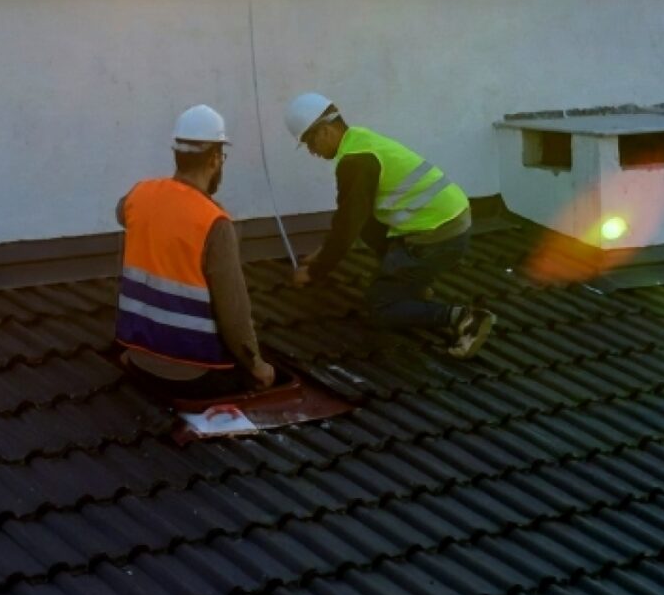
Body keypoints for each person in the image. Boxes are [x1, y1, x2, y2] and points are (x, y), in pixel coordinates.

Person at [284, 91, 495, 358]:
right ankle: (413, 285)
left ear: (324, 131)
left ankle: (463, 317)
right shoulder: (360, 142)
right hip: (448, 223)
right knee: (369, 222)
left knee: (380, 307)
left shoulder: (355, 162)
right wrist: (322, 253)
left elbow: (347, 227)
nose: (312, 152)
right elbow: (355, 220)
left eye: (309, 143)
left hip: (438, 237)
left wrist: (315, 272)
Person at [115, 104, 275, 401]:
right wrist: (256, 365)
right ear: (215, 159)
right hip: (193, 374)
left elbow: (121, 212)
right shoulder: (214, 223)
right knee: (256, 378)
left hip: (139, 359)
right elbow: (233, 313)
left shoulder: (139, 196)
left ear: (177, 154)